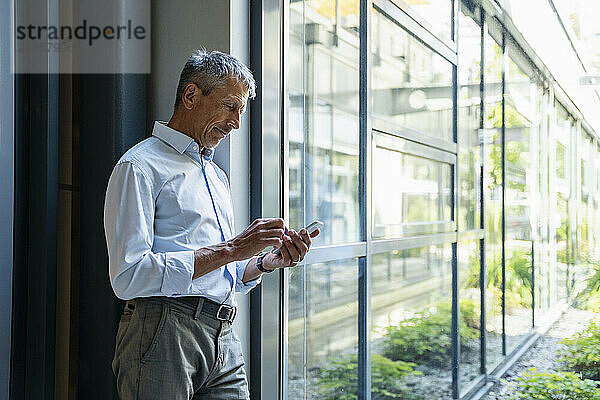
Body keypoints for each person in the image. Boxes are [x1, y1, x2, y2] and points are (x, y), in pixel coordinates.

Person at [104, 49, 319, 400]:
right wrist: (233, 249)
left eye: (241, 112)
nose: (236, 123)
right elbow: (128, 276)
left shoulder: (216, 176)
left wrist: (264, 263)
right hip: (162, 333)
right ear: (191, 96)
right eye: (230, 107)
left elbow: (220, 272)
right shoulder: (139, 166)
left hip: (223, 335)